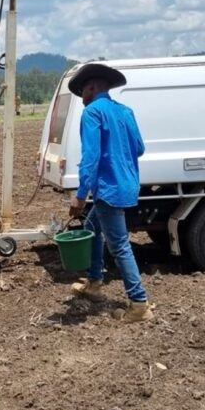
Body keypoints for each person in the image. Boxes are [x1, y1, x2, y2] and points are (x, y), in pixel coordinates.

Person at [67, 62, 151, 322]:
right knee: (93, 229)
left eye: (82, 91)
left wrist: (80, 196)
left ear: (91, 87)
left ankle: (138, 304)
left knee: (119, 245)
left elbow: (90, 158)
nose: (82, 97)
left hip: (108, 188)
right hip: (126, 184)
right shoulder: (125, 111)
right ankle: (94, 281)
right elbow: (139, 148)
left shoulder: (92, 113)